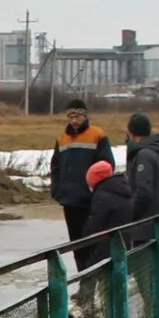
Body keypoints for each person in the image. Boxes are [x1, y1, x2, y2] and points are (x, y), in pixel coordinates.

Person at [49, 101, 114, 247]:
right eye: (71, 117)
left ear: (85, 116)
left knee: (94, 241)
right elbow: (56, 166)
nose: (74, 120)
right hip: (70, 201)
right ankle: (81, 268)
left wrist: (100, 192)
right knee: (76, 243)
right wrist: (57, 190)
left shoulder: (97, 135)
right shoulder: (62, 139)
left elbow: (107, 165)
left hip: (91, 200)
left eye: (77, 116)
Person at [75, 158, 139, 271]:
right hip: (124, 243)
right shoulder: (123, 189)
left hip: (106, 249)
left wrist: (84, 241)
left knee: (100, 280)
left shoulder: (102, 196)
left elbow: (95, 222)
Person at [123, 112, 159, 225]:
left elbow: (143, 192)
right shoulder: (156, 152)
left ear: (131, 133)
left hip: (144, 226)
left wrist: (129, 215)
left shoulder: (144, 155)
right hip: (155, 222)